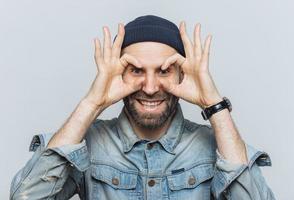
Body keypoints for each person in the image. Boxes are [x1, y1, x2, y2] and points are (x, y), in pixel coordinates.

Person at [10, 15, 275, 200]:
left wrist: (213, 104)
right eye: (136, 70)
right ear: (118, 75)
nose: (149, 87)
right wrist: (92, 103)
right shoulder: (87, 143)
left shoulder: (216, 147)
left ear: (182, 75)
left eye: (164, 71)